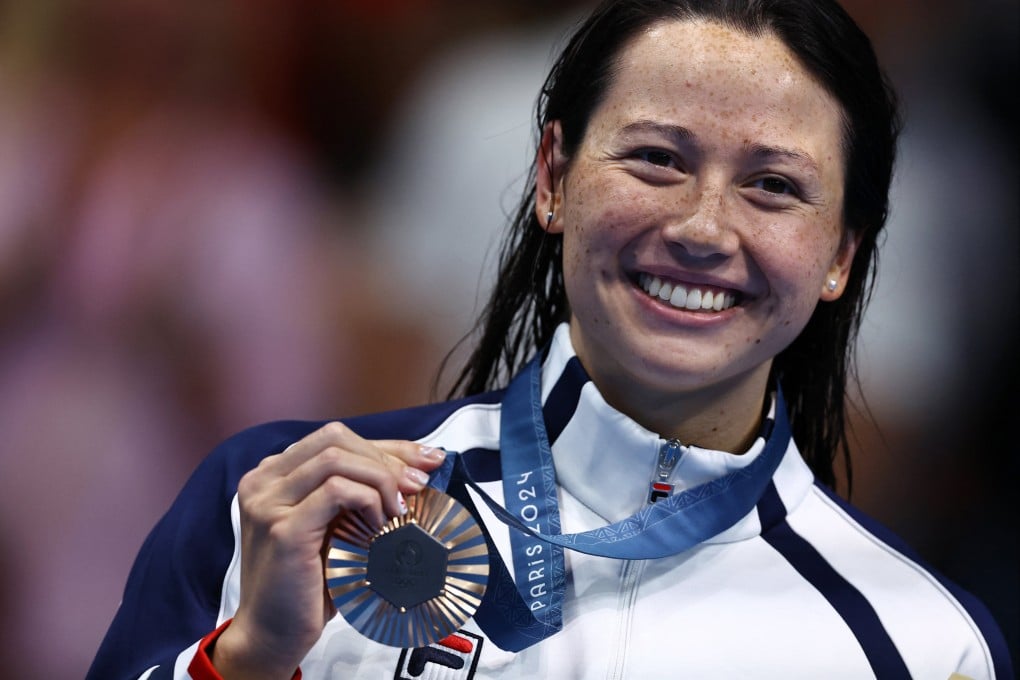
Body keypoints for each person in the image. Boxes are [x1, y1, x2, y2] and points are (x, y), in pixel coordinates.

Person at [87, 0, 1014, 678]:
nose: (702, 227)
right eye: (657, 158)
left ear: (842, 255)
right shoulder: (284, 507)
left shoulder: (918, 642)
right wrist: (246, 663)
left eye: (773, 185)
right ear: (554, 179)